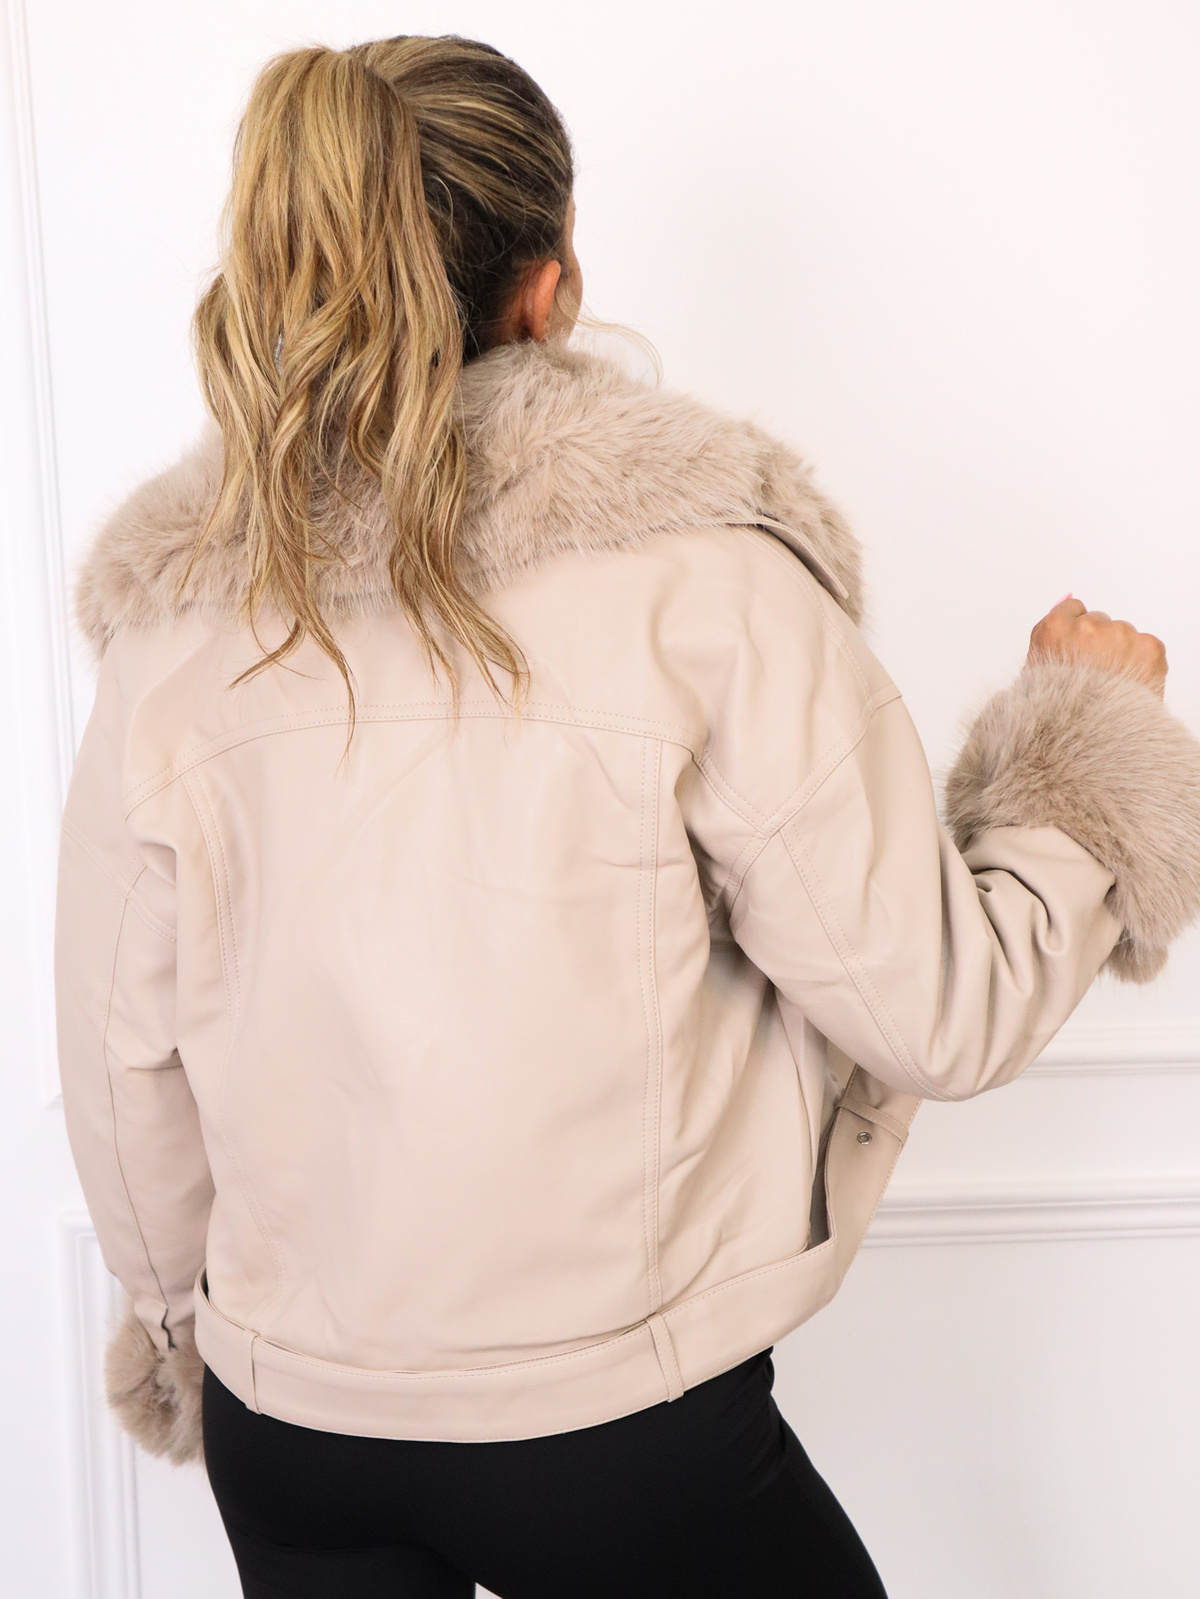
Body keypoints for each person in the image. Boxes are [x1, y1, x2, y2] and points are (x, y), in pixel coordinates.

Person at [55, 34, 1200, 1599]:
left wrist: (191, 1331)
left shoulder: (176, 628)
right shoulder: (702, 582)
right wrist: (1084, 742)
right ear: (549, 284)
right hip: (613, 1440)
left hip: (294, 1436)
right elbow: (938, 1009)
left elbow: (123, 1074)